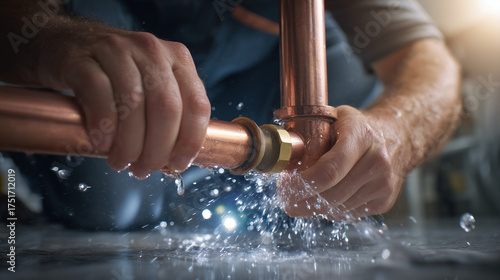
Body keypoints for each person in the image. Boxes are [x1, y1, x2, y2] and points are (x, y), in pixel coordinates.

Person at [0, 0, 461, 228]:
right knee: (112, 197)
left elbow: (429, 61)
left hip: (261, 67)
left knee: (353, 113)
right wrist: (50, 39)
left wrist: (397, 133)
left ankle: (241, 189)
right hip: (105, 36)